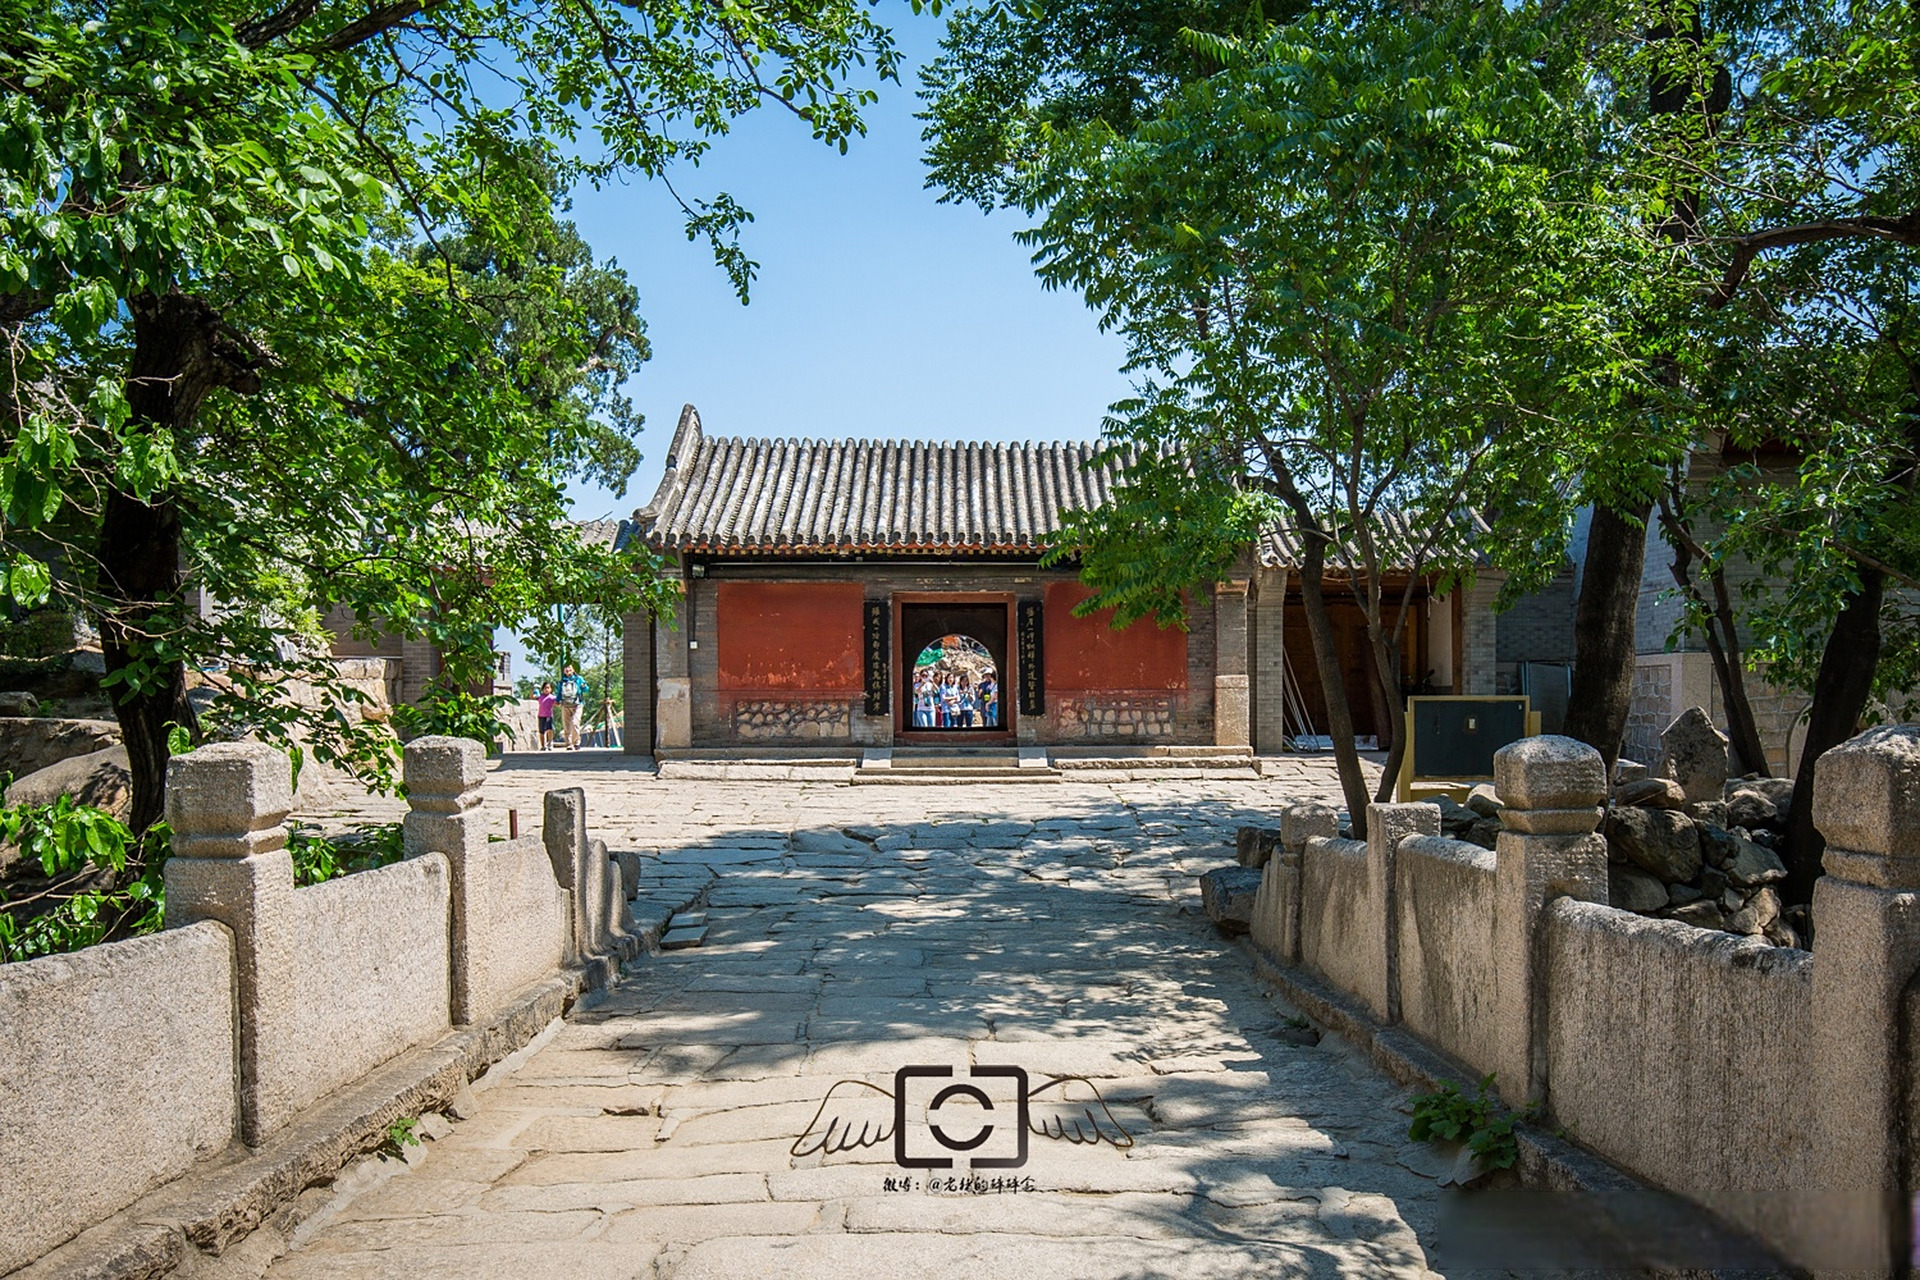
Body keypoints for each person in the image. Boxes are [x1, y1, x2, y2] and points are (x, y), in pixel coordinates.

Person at [557, 663, 588, 749]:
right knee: (566, 725)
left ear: (573, 669)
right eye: (566, 668)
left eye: (569, 667)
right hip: (565, 705)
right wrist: (557, 701)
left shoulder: (578, 679)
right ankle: (568, 744)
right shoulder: (562, 682)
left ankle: (576, 742)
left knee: (575, 723)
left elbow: (586, 689)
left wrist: (583, 686)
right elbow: (559, 693)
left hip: (577, 704)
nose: (568, 669)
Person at [536, 681, 557, 750]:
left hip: (548, 715)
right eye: (545, 688)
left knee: (549, 729)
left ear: (550, 689)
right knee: (541, 731)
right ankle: (543, 745)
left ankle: (550, 742)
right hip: (541, 715)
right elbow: (532, 697)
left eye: (548, 688)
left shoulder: (552, 697)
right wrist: (534, 689)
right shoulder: (540, 697)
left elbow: (558, 703)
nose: (546, 689)